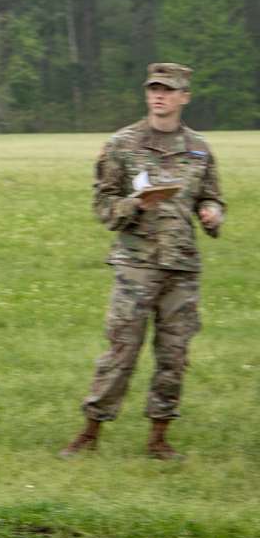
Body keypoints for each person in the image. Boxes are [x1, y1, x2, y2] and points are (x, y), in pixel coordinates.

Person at [60, 62, 225, 461]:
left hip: (181, 268)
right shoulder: (122, 145)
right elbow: (102, 205)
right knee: (121, 352)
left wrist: (213, 213)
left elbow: (211, 196)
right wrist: (134, 205)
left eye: (168, 90)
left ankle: (158, 438)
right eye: (153, 88)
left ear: (184, 96)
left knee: (174, 356)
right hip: (136, 266)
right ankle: (90, 432)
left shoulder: (199, 149)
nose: (159, 96)